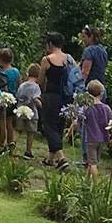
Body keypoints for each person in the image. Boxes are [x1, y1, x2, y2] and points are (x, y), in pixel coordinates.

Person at [37, 33, 71, 168]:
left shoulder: (47, 60)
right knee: (59, 126)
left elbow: (40, 81)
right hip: (65, 97)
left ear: (50, 44)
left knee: (49, 126)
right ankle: (50, 158)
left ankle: (61, 158)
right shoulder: (69, 59)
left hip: (51, 96)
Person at [80, 79, 112, 178]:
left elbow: (81, 121)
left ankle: (95, 185)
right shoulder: (107, 108)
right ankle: (86, 182)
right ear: (101, 93)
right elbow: (111, 124)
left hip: (90, 139)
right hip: (102, 139)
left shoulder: (87, 108)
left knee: (92, 163)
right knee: (93, 161)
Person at [15, 65, 42, 159]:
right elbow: (35, 99)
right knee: (31, 132)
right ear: (38, 76)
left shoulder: (22, 85)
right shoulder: (36, 87)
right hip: (31, 113)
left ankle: (12, 142)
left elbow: (18, 96)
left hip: (20, 111)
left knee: (18, 130)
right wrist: (41, 105)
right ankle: (28, 151)